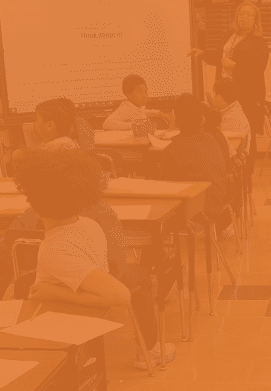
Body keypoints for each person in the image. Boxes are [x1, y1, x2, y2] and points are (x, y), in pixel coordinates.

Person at [12, 149, 175, 368]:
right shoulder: (90, 225)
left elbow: (120, 295)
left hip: (59, 336)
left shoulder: (53, 251)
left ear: (35, 207)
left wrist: (55, 291)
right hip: (83, 327)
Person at [190, 0, 269, 137]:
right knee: (226, 130)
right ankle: (231, 158)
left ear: (255, 20)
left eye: (248, 14)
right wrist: (203, 53)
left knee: (246, 131)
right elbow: (219, 56)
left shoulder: (259, 42)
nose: (243, 17)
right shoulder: (229, 36)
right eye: (241, 13)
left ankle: (248, 159)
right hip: (225, 93)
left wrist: (235, 66)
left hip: (247, 94)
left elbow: (259, 67)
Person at [161, 94, 231, 229]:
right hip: (218, 204)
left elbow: (166, 190)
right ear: (201, 120)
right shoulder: (211, 138)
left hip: (195, 212)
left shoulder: (172, 150)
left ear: (176, 121)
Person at [102, 74, 167, 134]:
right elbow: (107, 124)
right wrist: (135, 125)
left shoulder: (134, 106)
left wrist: (158, 113)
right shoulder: (126, 108)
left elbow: (141, 112)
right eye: (140, 92)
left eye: (145, 91)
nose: (145, 96)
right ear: (128, 94)